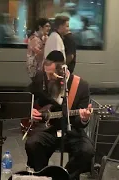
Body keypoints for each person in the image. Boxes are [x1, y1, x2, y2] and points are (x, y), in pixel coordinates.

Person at [25, 50, 95, 180]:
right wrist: (29, 110)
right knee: (32, 144)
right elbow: (26, 96)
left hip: (72, 131)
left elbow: (80, 122)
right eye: (47, 74)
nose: (48, 78)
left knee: (87, 151)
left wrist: (84, 118)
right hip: (49, 129)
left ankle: (64, 177)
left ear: (63, 71)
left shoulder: (81, 86)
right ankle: (43, 176)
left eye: (51, 75)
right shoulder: (42, 78)